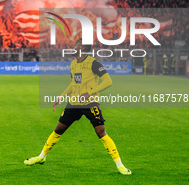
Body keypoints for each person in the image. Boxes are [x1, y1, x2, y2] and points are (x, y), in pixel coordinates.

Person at [24, 39, 132, 175]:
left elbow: (108, 81)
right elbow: (73, 83)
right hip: (74, 102)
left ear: (83, 49)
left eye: (77, 46)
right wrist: (61, 96)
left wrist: (90, 92)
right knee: (58, 129)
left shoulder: (93, 63)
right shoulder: (74, 64)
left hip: (90, 102)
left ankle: (120, 165)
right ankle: (41, 157)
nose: (73, 47)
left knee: (101, 132)